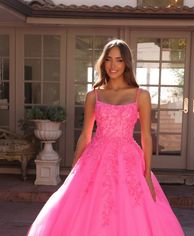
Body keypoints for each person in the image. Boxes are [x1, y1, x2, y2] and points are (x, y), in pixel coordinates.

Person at [27, 39, 184, 236]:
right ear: (103, 62)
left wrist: (147, 175)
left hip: (128, 160)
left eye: (119, 60)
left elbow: (146, 136)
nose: (113, 65)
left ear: (126, 63)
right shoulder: (94, 95)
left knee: (130, 210)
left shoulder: (140, 95)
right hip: (96, 157)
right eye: (108, 59)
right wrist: (74, 172)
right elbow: (85, 135)